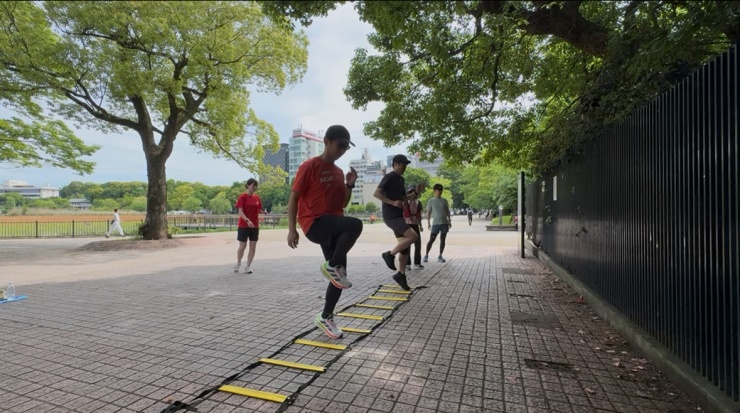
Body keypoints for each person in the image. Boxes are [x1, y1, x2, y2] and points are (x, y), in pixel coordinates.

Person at [287, 125, 362, 339]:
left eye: (347, 147)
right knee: (355, 225)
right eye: (340, 146)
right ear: (327, 142)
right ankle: (331, 265)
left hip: (333, 223)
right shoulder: (310, 166)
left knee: (340, 276)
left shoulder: (338, 172)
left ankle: (325, 317)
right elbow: (294, 198)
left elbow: (342, 203)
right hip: (314, 222)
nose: (343, 151)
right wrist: (292, 229)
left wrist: (349, 185)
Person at [374, 155, 423, 290]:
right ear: (395, 164)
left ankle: (400, 275)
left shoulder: (401, 179)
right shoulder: (389, 177)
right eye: (403, 164)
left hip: (399, 216)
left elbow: (404, 198)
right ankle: (389, 254)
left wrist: (416, 192)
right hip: (390, 216)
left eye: (406, 165)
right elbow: (376, 193)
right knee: (413, 236)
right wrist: (392, 202)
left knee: (405, 248)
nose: (405, 167)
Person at [234, 178, 262, 274]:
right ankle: (238, 263)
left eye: (256, 186)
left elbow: (259, 210)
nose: (255, 187)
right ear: (248, 185)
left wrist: (261, 215)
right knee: (242, 246)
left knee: (253, 246)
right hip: (243, 225)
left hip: (254, 226)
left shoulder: (257, 198)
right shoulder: (242, 197)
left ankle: (248, 266)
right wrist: (247, 220)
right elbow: (240, 212)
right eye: (253, 185)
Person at [424, 184, 452, 263]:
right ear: (434, 190)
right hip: (435, 224)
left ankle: (440, 255)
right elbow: (429, 213)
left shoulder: (444, 200)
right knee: (431, 240)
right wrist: (428, 223)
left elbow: (447, 211)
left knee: (442, 240)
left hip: (444, 223)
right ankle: (426, 255)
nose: (440, 191)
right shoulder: (431, 201)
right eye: (438, 190)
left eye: (441, 190)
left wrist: (449, 220)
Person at [403, 185, 424, 271]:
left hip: (415, 224)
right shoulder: (405, 202)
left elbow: (419, 215)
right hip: (407, 223)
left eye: (413, 191)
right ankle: (407, 263)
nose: (412, 193)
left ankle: (417, 262)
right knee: (407, 244)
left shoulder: (418, 202)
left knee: (418, 244)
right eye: (410, 191)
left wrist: (420, 225)